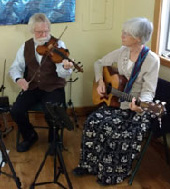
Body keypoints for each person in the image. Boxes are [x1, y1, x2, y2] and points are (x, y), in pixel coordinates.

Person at [73, 17, 160, 185]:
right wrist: (100, 81)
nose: (122, 35)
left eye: (126, 33)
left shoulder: (152, 60)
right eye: (123, 32)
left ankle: (112, 173)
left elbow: (149, 92)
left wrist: (140, 106)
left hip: (136, 108)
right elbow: (99, 63)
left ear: (138, 38)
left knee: (115, 131)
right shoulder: (122, 51)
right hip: (116, 103)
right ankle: (89, 165)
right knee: (92, 121)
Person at [9, 13, 73, 152]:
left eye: (46, 31)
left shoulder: (59, 45)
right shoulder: (26, 46)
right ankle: (30, 135)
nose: (44, 35)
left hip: (53, 86)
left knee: (53, 111)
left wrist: (66, 68)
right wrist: (19, 79)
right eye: (39, 32)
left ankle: (54, 139)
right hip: (33, 87)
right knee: (16, 110)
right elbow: (15, 67)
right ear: (32, 31)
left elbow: (62, 74)